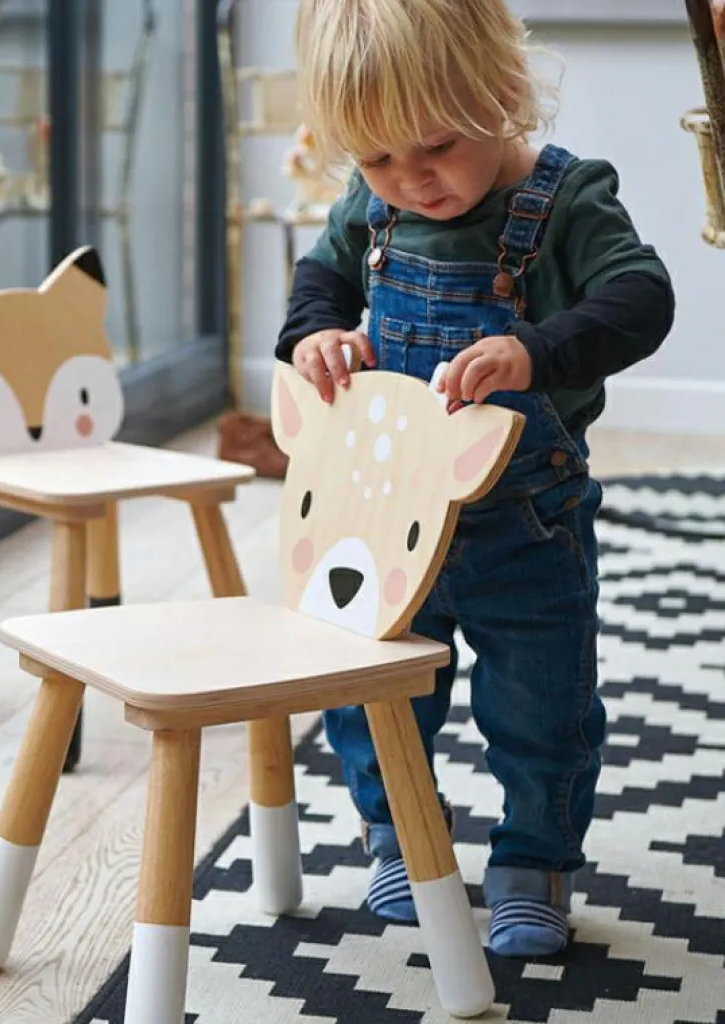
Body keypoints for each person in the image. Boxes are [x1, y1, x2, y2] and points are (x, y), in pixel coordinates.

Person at [277, 0, 675, 958]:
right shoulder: (374, 204)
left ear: (503, 93)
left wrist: (536, 350)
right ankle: (400, 839)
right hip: (384, 518)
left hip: (524, 527)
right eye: (377, 159)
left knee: (542, 709)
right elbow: (321, 281)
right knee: (372, 696)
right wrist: (316, 336)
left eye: (437, 148)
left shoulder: (565, 199)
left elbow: (642, 297)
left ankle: (533, 864)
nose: (410, 181)